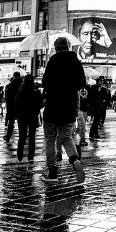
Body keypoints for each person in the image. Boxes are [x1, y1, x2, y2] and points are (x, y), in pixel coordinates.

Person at [41, 36, 86, 183]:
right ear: (68, 47)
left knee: (50, 140)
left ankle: (52, 172)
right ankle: (74, 159)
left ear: (56, 48)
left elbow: (45, 83)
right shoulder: (76, 61)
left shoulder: (52, 61)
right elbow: (82, 83)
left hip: (53, 107)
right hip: (69, 108)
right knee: (66, 137)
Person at [14, 74, 42, 162]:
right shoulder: (35, 90)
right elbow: (39, 103)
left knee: (22, 135)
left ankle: (20, 154)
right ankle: (31, 156)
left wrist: (18, 113)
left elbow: (16, 103)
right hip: (32, 115)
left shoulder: (21, 90)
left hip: (22, 115)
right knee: (32, 136)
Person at [4, 72, 22, 143]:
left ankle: (8, 136)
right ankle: (23, 136)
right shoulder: (22, 84)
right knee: (21, 122)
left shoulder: (11, 85)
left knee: (11, 122)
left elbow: (8, 96)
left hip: (12, 105)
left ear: (14, 76)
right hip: (21, 106)